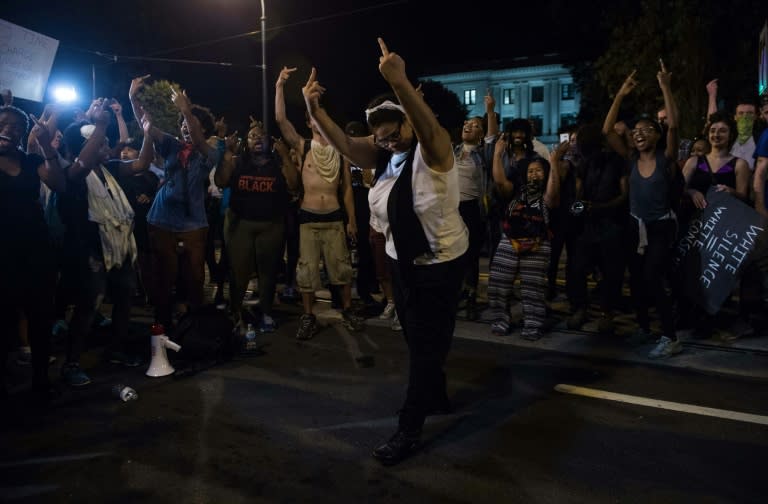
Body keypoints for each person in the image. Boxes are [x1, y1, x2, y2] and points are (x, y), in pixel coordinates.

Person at [302, 38, 469, 465]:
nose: (389, 142)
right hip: (402, 261)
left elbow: (426, 125)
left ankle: (408, 429)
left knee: (427, 346)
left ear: (409, 125)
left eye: (395, 134)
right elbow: (344, 145)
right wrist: (314, 109)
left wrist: (400, 82)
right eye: (382, 138)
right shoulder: (386, 160)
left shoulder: (435, 151)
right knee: (418, 340)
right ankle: (438, 394)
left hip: (440, 262)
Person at [275, 66, 364, 339]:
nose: (317, 122)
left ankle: (347, 310)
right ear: (309, 121)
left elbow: (347, 188)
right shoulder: (303, 146)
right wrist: (279, 85)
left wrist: (351, 220)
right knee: (307, 272)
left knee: (342, 269)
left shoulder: (340, 150)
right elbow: (280, 119)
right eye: (313, 118)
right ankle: (308, 315)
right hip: (308, 217)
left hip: (334, 217)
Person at [128, 75, 221, 331]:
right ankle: (163, 321)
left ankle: (195, 322)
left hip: (193, 220)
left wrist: (187, 110)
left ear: (204, 130)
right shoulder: (171, 144)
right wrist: (132, 99)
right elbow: (147, 125)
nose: (185, 128)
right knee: (165, 274)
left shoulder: (209, 152)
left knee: (194, 274)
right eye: (182, 124)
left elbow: (197, 138)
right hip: (162, 217)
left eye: (190, 124)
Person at [603, 63, 683, 358]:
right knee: (636, 279)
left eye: (646, 130)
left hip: (660, 227)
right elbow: (607, 130)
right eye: (635, 131)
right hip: (635, 228)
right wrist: (620, 95)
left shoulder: (667, 160)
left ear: (657, 136)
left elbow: (673, 125)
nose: (638, 134)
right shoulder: (631, 159)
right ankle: (644, 328)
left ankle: (671, 336)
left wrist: (665, 86)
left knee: (652, 277)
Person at [0, 103, 65, 399]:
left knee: (40, 317)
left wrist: (44, 146)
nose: (8, 129)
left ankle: (41, 378)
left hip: (36, 252)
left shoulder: (30, 162)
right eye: (3, 123)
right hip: (4, 255)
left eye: (16, 126)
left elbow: (59, 183)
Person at [214, 121, 298, 333]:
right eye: (252, 136)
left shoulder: (278, 163)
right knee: (239, 273)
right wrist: (227, 155)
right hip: (240, 223)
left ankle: (266, 312)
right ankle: (235, 311)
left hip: (271, 225)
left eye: (262, 135)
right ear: (246, 143)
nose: (258, 138)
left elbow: (295, 186)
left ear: (270, 142)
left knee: (267, 273)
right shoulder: (237, 162)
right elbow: (221, 181)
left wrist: (286, 156)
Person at [487, 147, 562, 340]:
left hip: (537, 245)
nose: (534, 174)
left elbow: (552, 198)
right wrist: (497, 154)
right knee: (498, 284)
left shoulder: (547, 193)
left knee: (532, 289)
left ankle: (533, 326)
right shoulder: (516, 190)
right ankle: (500, 321)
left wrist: (553, 162)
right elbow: (499, 181)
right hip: (509, 241)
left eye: (538, 170)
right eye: (530, 171)